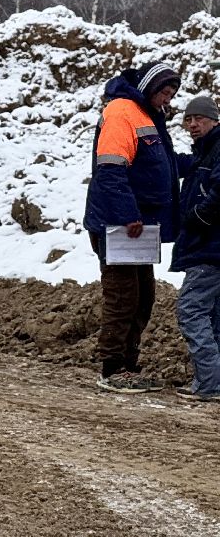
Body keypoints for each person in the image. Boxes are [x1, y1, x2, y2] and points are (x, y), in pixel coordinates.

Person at [83, 59, 182, 393]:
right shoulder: (122, 112)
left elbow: (160, 164)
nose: (168, 100)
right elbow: (110, 169)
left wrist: (202, 159)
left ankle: (129, 364)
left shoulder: (146, 116)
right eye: (165, 92)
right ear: (151, 88)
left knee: (143, 297)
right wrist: (128, 214)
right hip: (121, 226)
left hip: (138, 227)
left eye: (171, 94)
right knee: (123, 297)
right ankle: (113, 369)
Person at [172, 94, 220, 401]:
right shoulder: (204, 152)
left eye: (199, 119)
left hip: (210, 248)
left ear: (214, 120)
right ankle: (214, 384)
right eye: (188, 119)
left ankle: (209, 385)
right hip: (211, 247)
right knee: (215, 317)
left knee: (190, 310)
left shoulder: (217, 149)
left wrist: (196, 217)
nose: (192, 124)